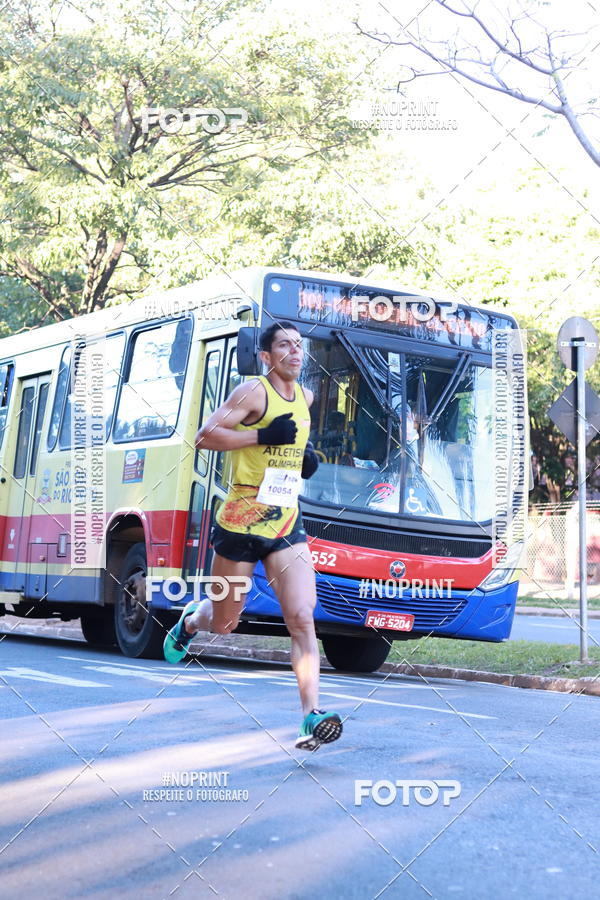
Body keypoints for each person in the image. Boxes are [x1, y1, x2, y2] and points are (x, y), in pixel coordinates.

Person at [163, 321, 343, 751]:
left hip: (284, 522)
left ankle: (308, 718)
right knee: (225, 623)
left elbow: (290, 448)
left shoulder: (307, 396)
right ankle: (192, 620)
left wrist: (304, 460)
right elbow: (205, 437)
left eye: (300, 346)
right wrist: (261, 434)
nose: (295, 352)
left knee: (301, 617)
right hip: (240, 522)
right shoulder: (251, 393)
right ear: (266, 356)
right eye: (285, 345)